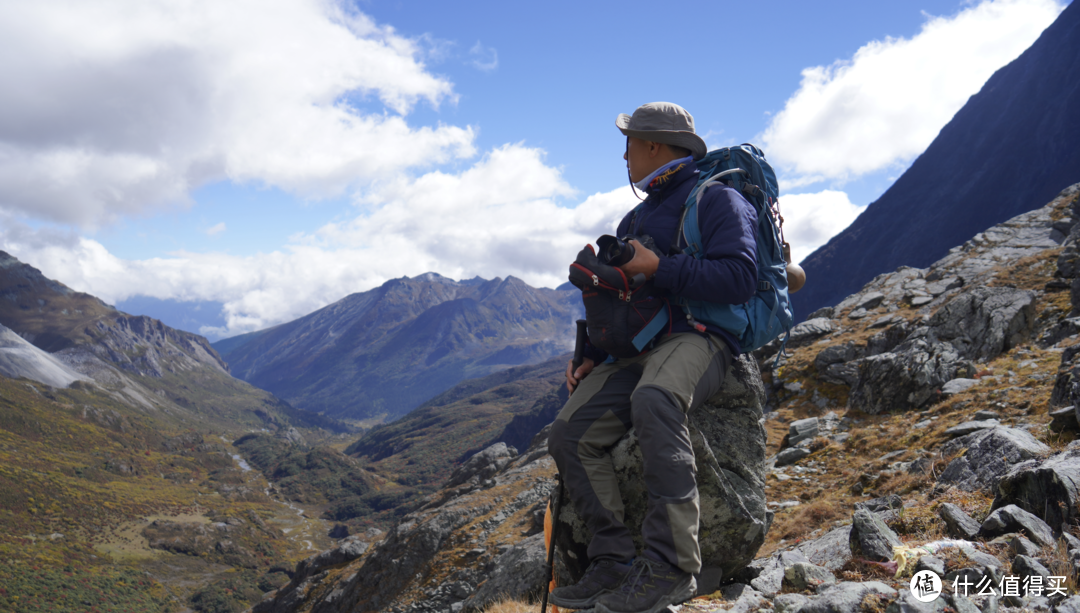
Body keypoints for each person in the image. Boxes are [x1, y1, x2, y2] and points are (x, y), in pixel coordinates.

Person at [547, 102, 759, 613]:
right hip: (638, 344)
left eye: (629, 145)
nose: (624, 156)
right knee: (569, 434)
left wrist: (662, 267)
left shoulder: (717, 200)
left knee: (656, 399)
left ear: (654, 147)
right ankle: (612, 562)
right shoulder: (636, 216)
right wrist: (594, 354)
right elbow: (627, 294)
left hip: (701, 336)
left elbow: (741, 278)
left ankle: (672, 568)